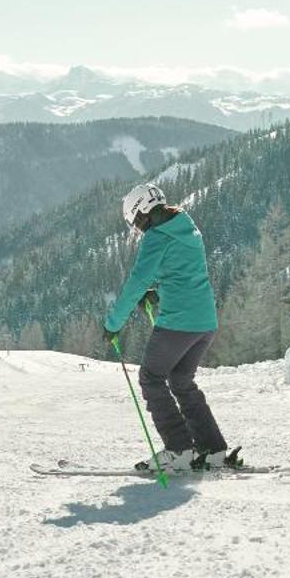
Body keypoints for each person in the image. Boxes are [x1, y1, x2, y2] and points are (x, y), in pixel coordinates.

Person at [106, 182, 240, 474]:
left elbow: (136, 283)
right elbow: (186, 276)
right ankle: (213, 448)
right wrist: (160, 294)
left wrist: (113, 324)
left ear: (141, 211)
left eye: (137, 222)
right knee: (181, 381)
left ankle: (179, 450)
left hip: (178, 324)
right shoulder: (188, 229)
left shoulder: (157, 238)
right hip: (205, 323)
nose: (139, 229)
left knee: (151, 378)